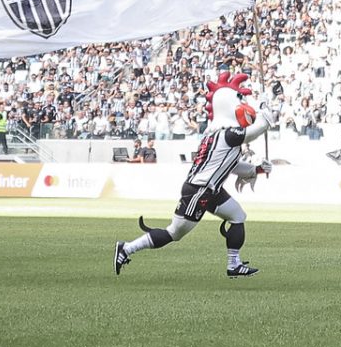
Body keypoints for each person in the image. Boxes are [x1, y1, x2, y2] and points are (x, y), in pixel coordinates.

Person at [116, 71, 276, 279]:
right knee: (174, 233)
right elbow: (258, 129)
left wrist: (257, 170)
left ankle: (233, 264)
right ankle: (126, 248)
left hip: (209, 189)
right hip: (200, 190)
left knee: (238, 216)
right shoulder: (228, 134)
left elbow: (233, 166)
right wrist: (265, 110)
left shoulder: (221, 135)